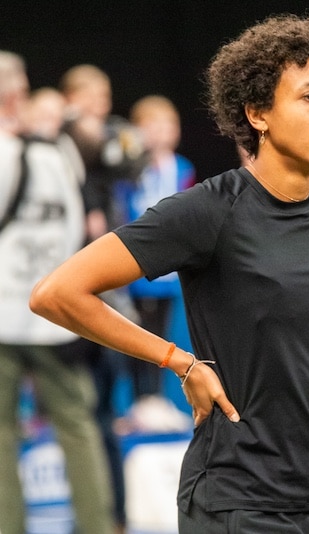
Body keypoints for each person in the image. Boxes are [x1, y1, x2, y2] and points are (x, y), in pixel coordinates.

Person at [30, 13, 309, 534]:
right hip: (238, 503)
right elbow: (57, 293)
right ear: (258, 113)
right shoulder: (208, 211)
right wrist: (179, 362)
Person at [0, 50, 116, 534]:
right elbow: (79, 238)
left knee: (2, 434)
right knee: (78, 425)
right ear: (19, 92)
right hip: (54, 314)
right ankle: (96, 525)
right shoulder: (58, 153)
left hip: (2, 318)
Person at [60, 62, 143, 532]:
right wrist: (76, 125)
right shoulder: (61, 139)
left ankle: (114, 517)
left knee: (106, 412)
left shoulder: (111, 139)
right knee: (80, 412)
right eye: (92, 96)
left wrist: (105, 134)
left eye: (105, 95)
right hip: (71, 287)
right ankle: (92, 515)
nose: (102, 105)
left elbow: (134, 158)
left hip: (110, 290)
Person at [116, 94, 195, 429]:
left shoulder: (182, 167)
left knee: (165, 335)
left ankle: (159, 401)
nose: (162, 133)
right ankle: (138, 402)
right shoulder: (129, 166)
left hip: (170, 271)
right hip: (136, 266)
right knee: (137, 335)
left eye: (168, 125)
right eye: (153, 126)